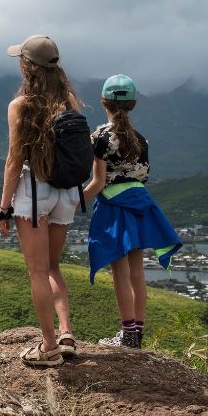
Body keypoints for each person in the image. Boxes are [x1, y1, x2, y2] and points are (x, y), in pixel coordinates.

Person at [0, 35, 91, 367]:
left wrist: (4, 206)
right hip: (67, 193)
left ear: (27, 66)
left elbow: (13, 160)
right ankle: (66, 334)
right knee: (52, 267)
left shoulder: (21, 105)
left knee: (36, 271)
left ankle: (48, 347)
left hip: (35, 193)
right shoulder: (68, 100)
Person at [82, 75, 183, 350]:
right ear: (134, 104)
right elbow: (141, 178)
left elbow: (98, 183)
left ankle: (126, 334)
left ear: (104, 102)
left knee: (119, 271)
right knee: (137, 272)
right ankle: (136, 334)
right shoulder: (141, 140)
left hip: (115, 208)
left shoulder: (101, 137)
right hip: (141, 204)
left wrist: (73, 203)